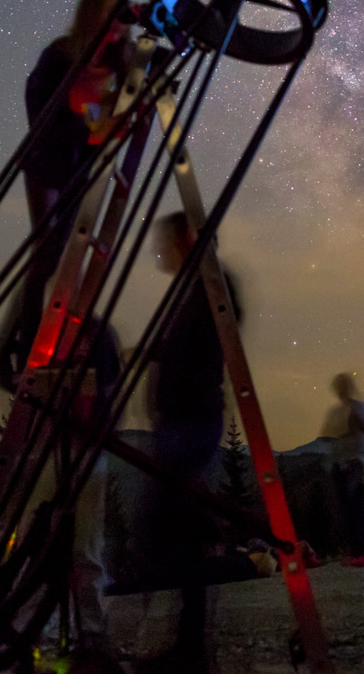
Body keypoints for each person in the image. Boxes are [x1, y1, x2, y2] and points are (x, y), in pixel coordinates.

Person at [0, 0, 131, 389]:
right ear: (91, 13)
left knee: (61, 257)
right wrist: (88, 122)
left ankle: (11, 345)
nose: (116, 19)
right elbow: (44, 109)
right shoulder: (62, 55)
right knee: (46, 253)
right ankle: (23, 349)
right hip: (48, 163)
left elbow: (109, 116)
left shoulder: (117, 67)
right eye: (108, 10)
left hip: (79, 168)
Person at [143, 211, 240, 674]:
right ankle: (189, 644)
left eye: (167, 240)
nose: (159, 248)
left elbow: (217, 327)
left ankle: (190, 646)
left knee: (163, 526)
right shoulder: (191, 292)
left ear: (188, 240)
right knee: (173, 530)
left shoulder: (211, 286)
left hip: (192, 421)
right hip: (179, 421)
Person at [321, 372, 364, 566]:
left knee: (359, 505)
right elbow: (326, 434)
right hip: (340, 462)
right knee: (346, 509)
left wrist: (349, 428)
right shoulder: (335, 412)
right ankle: (356, 552)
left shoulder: (359, 408)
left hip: (359, 460)